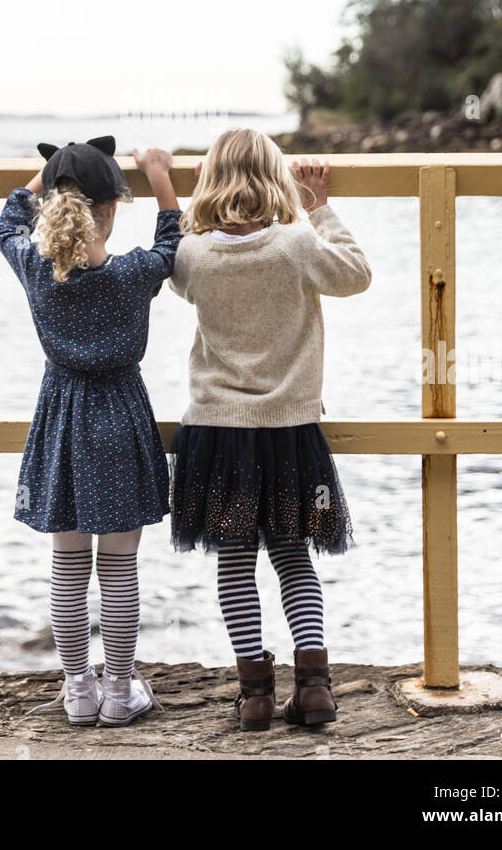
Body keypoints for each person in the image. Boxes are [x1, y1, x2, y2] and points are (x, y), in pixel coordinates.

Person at [168, 128, 371, 731]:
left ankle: (254, 694)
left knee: (234, 563)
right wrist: (320, 206)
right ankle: (313, 688)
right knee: (293, 555)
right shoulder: (296, 243)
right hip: (288, 430)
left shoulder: (193, 254)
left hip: (218, 431)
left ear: (210, 181)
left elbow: (180, 283)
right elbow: (355, 274)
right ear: (278, 179)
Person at [0, 137, 180, 727]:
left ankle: (78, 690)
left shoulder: (34, 267)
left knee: (68, 565)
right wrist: (159, 173)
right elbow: (172, 236)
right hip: (120, 418)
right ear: (114, 207)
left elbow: (4, 223)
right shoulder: (133, 274)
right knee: (120, 567)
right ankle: (120, 693)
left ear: (50, 203)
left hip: (62, 420)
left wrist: (44, 176)